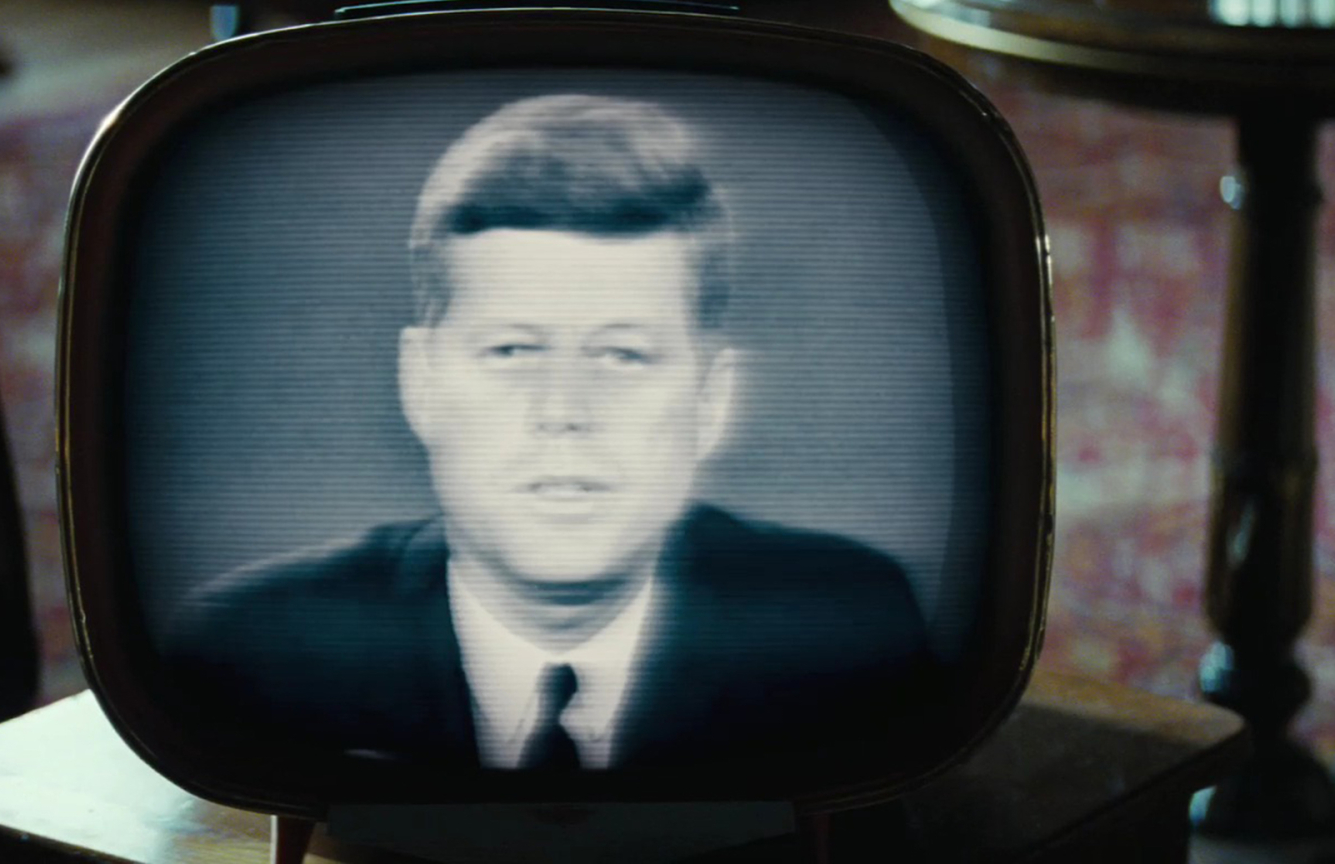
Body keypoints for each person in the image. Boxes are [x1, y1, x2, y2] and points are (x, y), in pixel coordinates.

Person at [164, 94, 937, 771]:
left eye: (622, 355)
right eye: (513, 351)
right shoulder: (251, 649)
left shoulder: (849, 630)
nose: (563, 408)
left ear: (710, 398)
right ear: (421, 383)